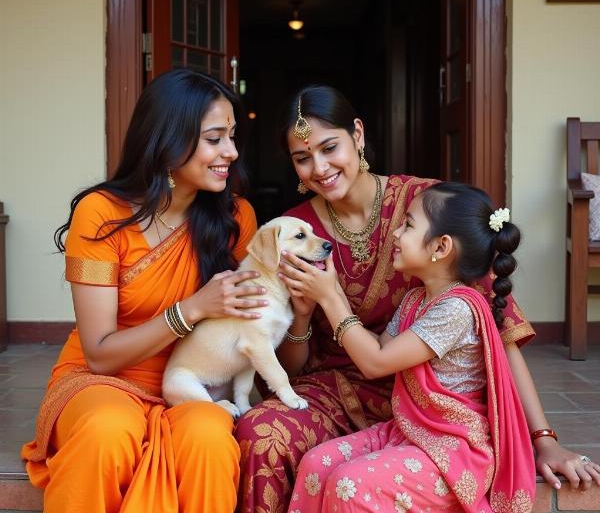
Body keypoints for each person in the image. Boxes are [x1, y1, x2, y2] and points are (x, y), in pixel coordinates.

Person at [235, 85, 600, 512]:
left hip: (432, 403)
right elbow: (289, 365)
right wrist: (300, 316)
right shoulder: (295, 232)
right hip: (333, 390)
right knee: (261, 434)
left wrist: (543, 440)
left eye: (329, 147)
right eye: (302, 158)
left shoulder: (428, 206)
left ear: (358, 134)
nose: (319, 167)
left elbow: (498, 336)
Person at [21, 69, 267, 513]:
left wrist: (301, 310)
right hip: (102, 380)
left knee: (210, 439)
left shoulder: (235, 218)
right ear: (169, 141)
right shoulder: (102, 214)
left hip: (195, 381)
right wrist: (191, 310)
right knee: (107, 431)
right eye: (214, 139)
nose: (230, 152)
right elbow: (99, 353)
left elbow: (255, 328)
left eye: (232, 136)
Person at [285, 181, 535, 511]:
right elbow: (378, 349)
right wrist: (312, 307)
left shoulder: (457, 309)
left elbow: (375, 363)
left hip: (451, 450)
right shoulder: (417, 300)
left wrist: (330, 297)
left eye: (409, 225)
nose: (396, 234)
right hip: (408, 432)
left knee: (349, 484)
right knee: (316, 464)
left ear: (441, 247)